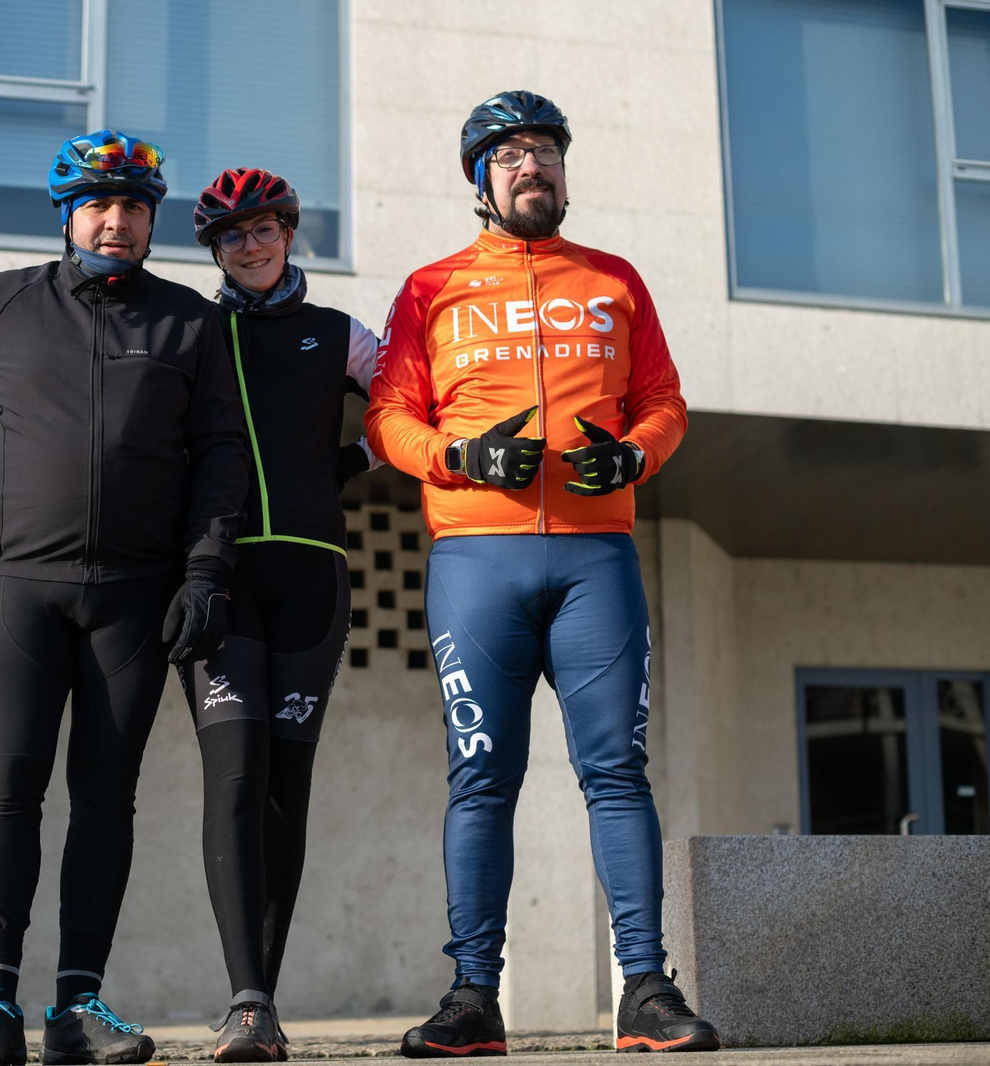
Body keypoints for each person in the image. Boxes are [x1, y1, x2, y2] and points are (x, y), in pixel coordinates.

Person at [366, 91, 721, 1056]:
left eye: (547, 152)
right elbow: (388, 416)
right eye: (512, 154)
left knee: (616, 772)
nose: (534, 167)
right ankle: (474, 998)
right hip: (475, 561)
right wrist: (459, 457)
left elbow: (665, 401)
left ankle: (644, 990)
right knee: (482, 778)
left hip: (595, 561)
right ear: (481, 180)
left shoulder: (616, 281)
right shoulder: (431, 286)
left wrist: (638, 457)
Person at [0, 129, 248, 1066]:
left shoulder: (190, 321)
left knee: (105, 803)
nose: (117, 219)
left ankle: (77, 1011)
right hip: (23, 596)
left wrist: (205, 571)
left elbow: (222, 456)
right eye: (98, 203)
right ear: (66, 216)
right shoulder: (4, 303)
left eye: (134, 205)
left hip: (134, 603)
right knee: (6, 793)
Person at [180, 168, 380, 1063]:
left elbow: (422, 400)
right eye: (232, 237)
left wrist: (356, 461)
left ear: (289, 234)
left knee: (282, 793)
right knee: (231, 778)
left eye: (264, 230)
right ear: (215, 251)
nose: (250, 247)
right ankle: (246, 1002)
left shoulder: (339, 334)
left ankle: (267, 999)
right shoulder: (192, 330)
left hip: (312, 581)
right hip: (218, 582)